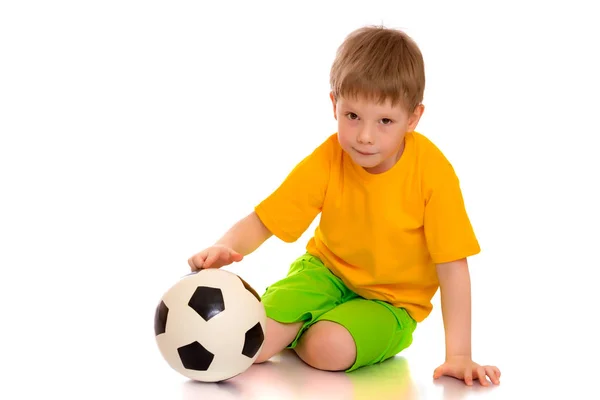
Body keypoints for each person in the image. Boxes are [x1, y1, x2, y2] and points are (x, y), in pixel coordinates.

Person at [188, 25, 501, 387]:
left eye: (385, 121)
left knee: (327, 349)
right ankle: (302, 319)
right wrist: (224, 247)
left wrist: (458, 355)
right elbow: (265, 220)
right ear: (334, 104)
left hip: (391, 302)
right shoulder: (329, 158)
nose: (365, 136)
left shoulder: (433, 174)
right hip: (325, 273)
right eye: (352, 116)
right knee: (248, 342)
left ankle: (311, 328)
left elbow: (452, 266)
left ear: (413, 118)